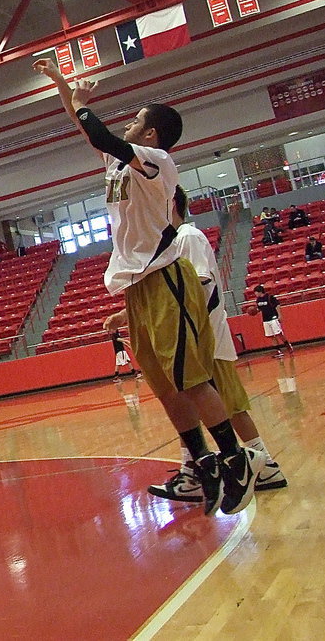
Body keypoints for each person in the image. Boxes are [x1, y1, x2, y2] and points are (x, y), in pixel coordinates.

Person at [34, 57, 256, 517]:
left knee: (190, 379)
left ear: (151, 135)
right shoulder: (120, 166)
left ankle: (237, 462)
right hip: (137, 286)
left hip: (164, 278)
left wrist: (80, 102)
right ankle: (204, 461)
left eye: (136, 121)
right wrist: (62, 88)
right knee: (164, 385)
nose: (129, 125)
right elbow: (89, 134)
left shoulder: (156, 160)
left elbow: (98, 133)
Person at [130, 186, 289, 502]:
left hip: (205, 338)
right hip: (197, 337)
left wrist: (187, 327)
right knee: (208, 405)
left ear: (169, 203)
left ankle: (255, 466)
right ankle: (253, 468)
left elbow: (202, 286)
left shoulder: (187, 237)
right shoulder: (170, 245)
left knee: (223, 405)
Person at [254, 285, 293, 355]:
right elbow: (260, 309)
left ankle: (288, 345)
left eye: (256, 292)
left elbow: (277, 305)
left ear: (260, 291)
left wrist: (280, 315)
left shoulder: (270, 297)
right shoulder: (258, 300)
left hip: (273, 318)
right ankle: (278, 351)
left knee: (279, 334)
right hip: (265, 320)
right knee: (271, 336)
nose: (255, 294)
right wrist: (254, 311)